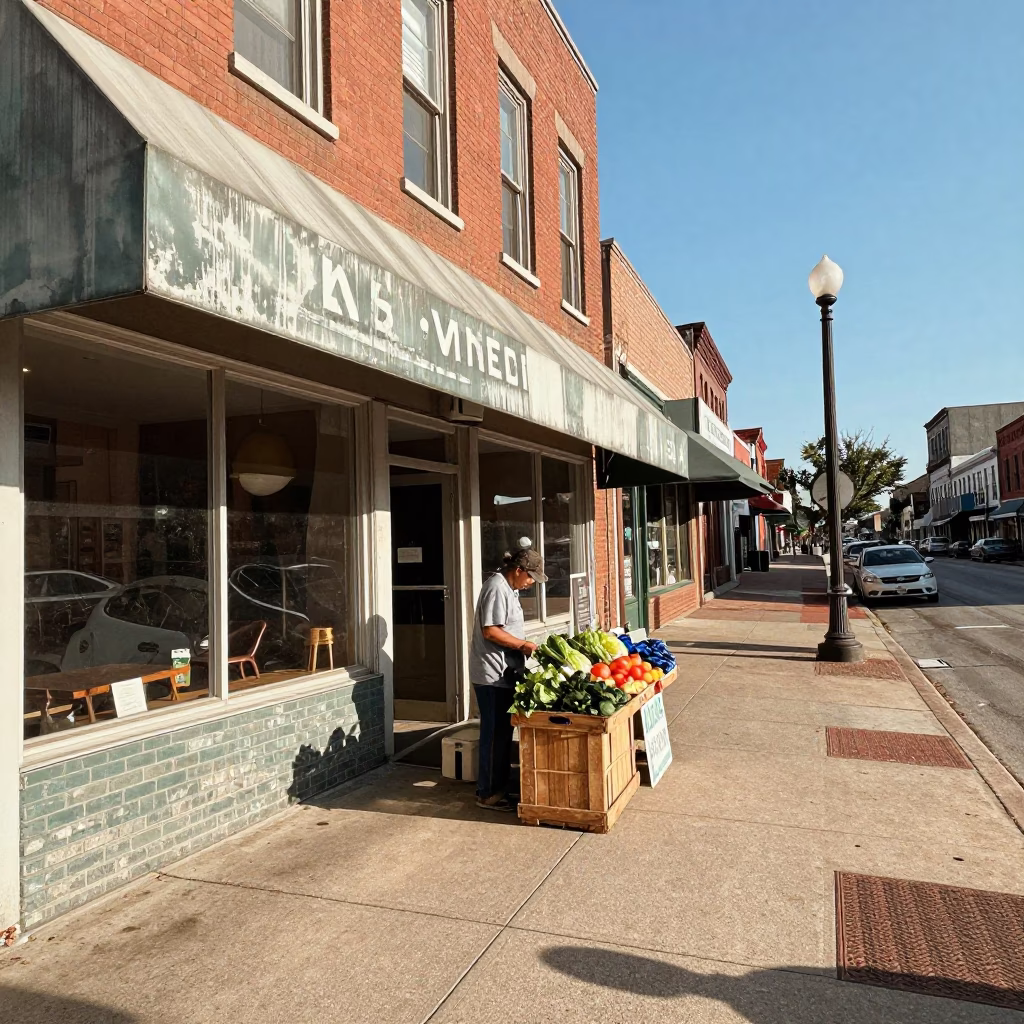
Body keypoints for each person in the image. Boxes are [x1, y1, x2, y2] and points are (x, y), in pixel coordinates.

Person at [469, 547, 547, 810]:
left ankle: (498, 787)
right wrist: (523, 645)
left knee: (503, 733)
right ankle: (487, 793)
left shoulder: (509, 588)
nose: (530, 584)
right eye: (530, 578)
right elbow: (490, 631)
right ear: (518, 570)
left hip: (505, 672)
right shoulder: (496, 588)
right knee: (494, 735)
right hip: (492, 675)